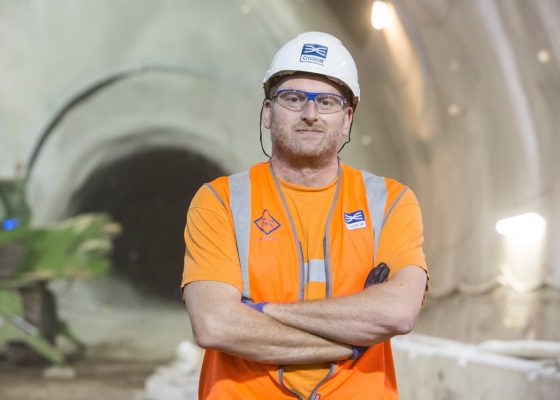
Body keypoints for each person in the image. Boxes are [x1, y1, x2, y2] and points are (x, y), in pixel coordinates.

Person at [181, 31, 428, 400]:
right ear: (268, 112)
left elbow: (398, 313)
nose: (310, 114)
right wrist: (354, 340)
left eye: (327, 102)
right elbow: (215, 324)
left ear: (346, 120)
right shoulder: (220, 201)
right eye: (293, 98)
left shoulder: (390, 202)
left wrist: (260, 311)